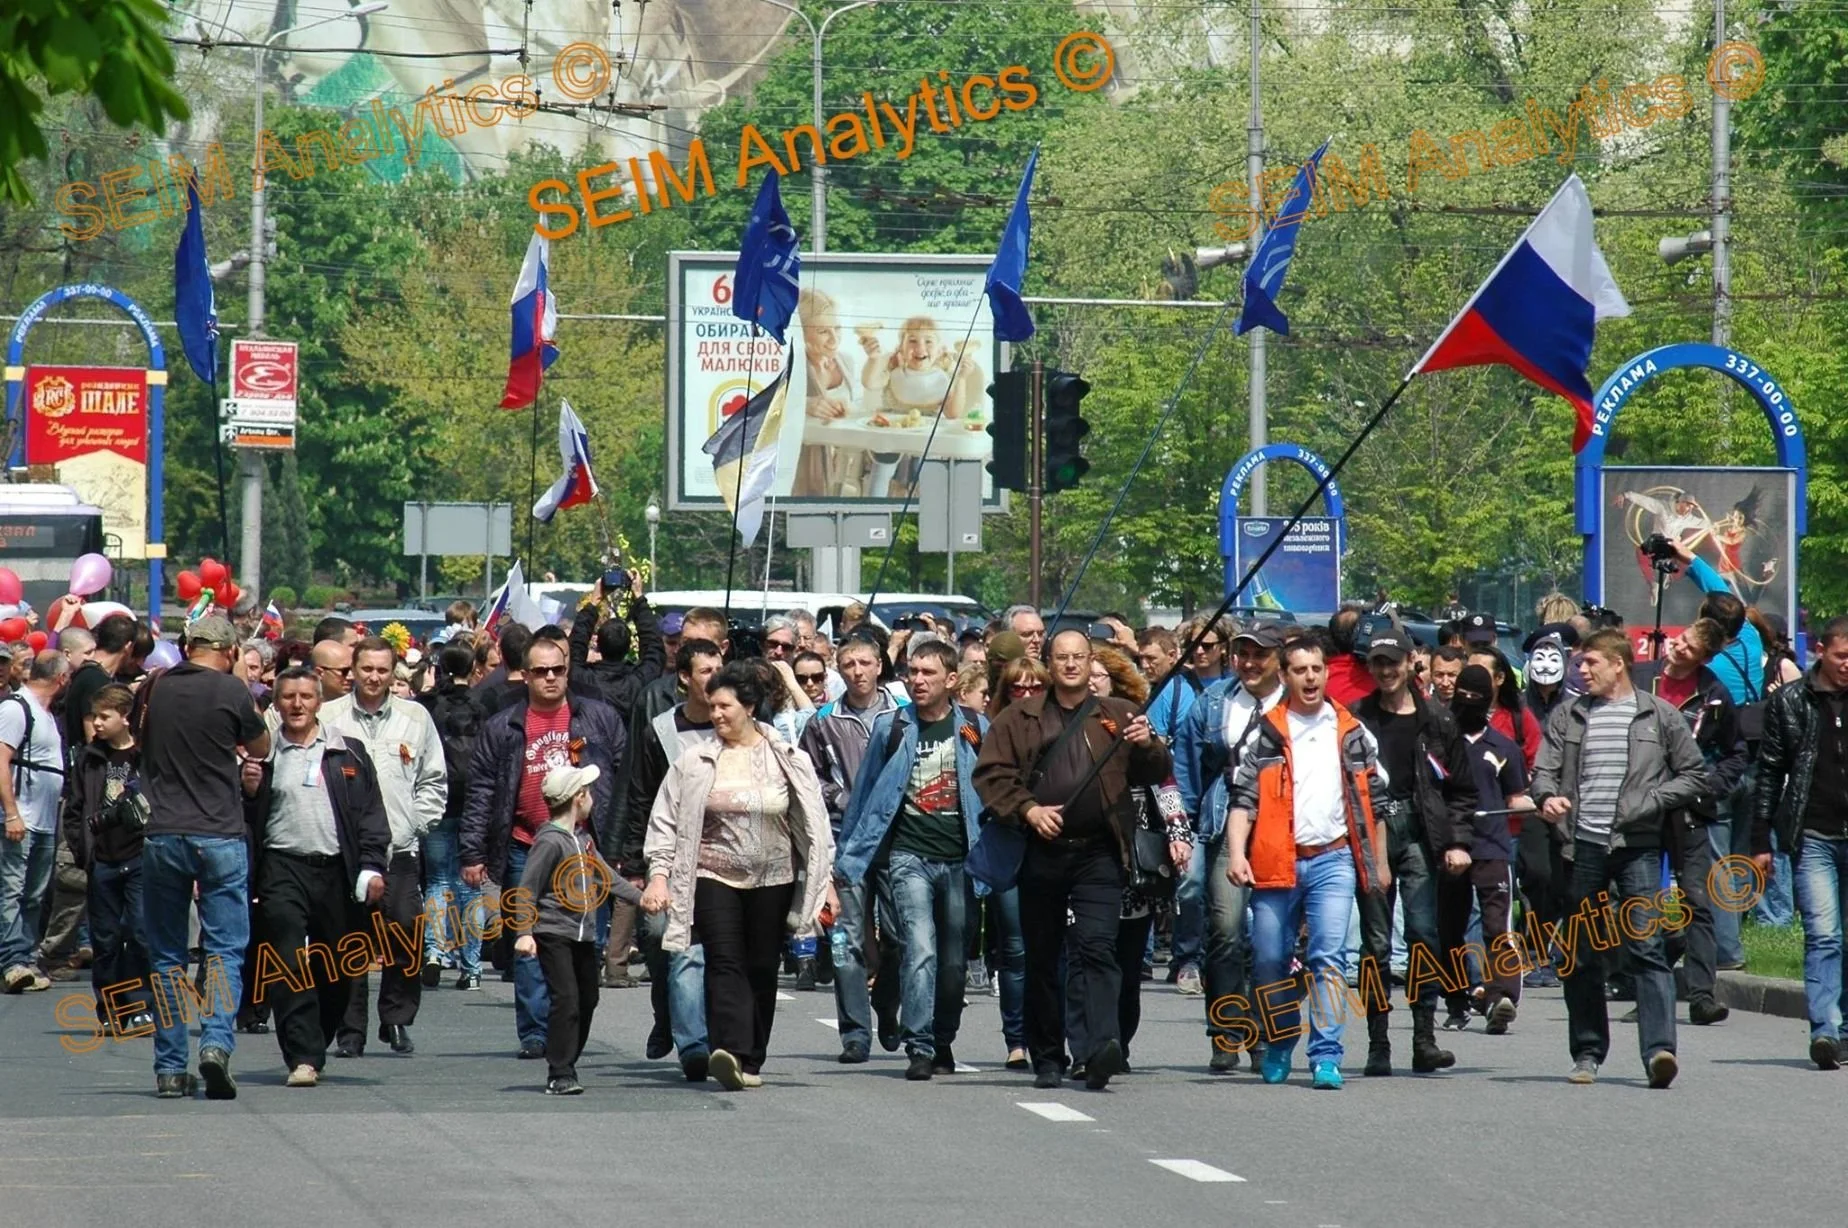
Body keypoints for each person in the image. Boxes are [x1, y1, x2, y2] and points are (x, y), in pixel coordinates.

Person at [974, 630, 1172, 1091]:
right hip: (1040, 852)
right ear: (1049, 662)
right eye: (1061, 658)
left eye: (1078, 658)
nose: (1070, 665)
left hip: (1100, 852)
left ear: (1090, 662)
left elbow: (1154, 773)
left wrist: (1147, 744)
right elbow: (991, 775)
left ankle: (1098, 1048)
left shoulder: (1119, 715)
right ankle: (1047, 1054)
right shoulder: (1018, 717)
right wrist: (1028, 809)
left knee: (1096, 947)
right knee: (1043, 955)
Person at [641, 662, 833, 1091]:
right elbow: (666, 820)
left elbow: (814, 828)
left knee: (761, 966)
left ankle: (752, 1058)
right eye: (712, 707)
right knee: (724, 960)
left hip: (774, 877)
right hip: (713, 874)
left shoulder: (788, 758)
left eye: (725, 706)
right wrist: (658, 875)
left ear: (748, 706)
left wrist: (825, 883)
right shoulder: (696, 761)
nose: (717, 715)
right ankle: (727, 1049)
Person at [1531, 628, 1710, 1088]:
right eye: (1579, 664)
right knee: (1583, 953)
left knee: (1646, 947)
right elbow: (1544, 770)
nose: (1581, 671)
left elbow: (1694, 774)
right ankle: (1587, 1052)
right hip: (1582, 846)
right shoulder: (1567, 715)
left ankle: (1659, 1052)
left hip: (1637, 848)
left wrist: (1651, 800)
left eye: (1590, 663)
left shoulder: (1658, 715)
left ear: (1618, 664)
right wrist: (1548, 797)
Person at [1227, 636, 1390, 1090]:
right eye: (1300, 670)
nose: (1311, 678)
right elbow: (1244, 799)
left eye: (1317, 669)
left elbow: (1375, 801)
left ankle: (1326, 1056)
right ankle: (1281, 1041)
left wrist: (1377, 862)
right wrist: (1237, 853)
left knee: (1329, 959)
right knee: (1269, 960)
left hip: (1333, 859)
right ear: (1285, 677)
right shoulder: (1269, 732)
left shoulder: (1350, 730)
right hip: (1276, 861)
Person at [461, 636, 623, 1059]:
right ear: (526, 675)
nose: (550, 678)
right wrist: (473, 852)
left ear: (568, 671)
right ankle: (536, 1032)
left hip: (584, 851)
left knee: (583, 942)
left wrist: (624, 846)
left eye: (558, 670)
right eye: (540, 671)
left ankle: (570, 1021)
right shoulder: (504, 726)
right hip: (524, 847)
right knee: (528, 942)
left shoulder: (599, 718)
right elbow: (481, 790)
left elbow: (622, 787)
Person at [133, 617, 271, 1099]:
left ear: (187, 647)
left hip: (164, 832)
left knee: (167, 955)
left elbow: (137, 741)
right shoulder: (232, 693)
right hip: (219, 833)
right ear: (230, 651)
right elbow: (262, 746)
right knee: (224, 951)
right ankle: (215, 1044)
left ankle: (170, 1067)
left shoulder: (155, 687)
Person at [835, 638, 986, 1080]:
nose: (918, 681)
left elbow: (993, 787)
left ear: (951, 680)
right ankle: (919, 1045)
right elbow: (864, 795)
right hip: (908, 857)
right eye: (912, 672)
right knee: (920, 949)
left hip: (961, 858)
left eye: (928, 673)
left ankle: (943, 1039)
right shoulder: (892, 727)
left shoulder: (974, 725)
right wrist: (849, 858)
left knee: (955, 961)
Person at [240, 667, 391, 1088]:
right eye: (288, 697)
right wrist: (249, 792)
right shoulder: (263, 755)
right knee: (288, 961)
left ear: (319, 702)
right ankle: (302, 1056)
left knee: (339, 968)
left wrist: (373, 866)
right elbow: (247, 820)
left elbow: (371, 816)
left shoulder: (349, 753)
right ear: (277, 702)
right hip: (282, 867)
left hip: (336, 871)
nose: (297, 704)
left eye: (306, 696)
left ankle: (317, 1040)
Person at [1354, 628, 1476, 1074]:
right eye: (1377, 663)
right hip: (1372, 832)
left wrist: (1458, 841)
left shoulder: (1438, 719)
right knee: (1375, 943)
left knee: (1424, 934)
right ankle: (1377, 1043)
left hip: (1421, 831)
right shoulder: (1355, 719)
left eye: (1393, 661)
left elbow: (1462, 789)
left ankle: (1424, 1038)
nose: (1386, 670)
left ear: (1410, 663)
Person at [321, 637, 448, 1057]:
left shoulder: (415, 718)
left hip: (399, 850)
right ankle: (350, 1029)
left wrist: (415, 823)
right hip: (345, 854)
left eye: (382, 670)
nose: (374, 677)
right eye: (366, 669)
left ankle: (396, 1019)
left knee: (406, 935)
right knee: (350, 942)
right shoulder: (329, 718)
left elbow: (433, 779)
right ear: (351, 672)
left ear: (395, 674)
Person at [1065, 651, 1190, 1075]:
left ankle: (1118, 1040)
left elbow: (1165, 780)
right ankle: (1085, 1048)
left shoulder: (1136, 723)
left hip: (1133, 856)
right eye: (1089, 675)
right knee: (1085, 955)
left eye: (1102, 676)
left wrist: (1177, 834)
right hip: (1082, 853)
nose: (1094, 682)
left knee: (1127, 960)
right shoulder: (1064, 722)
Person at [1172, 622, 1285, 1069]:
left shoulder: (1296, 702)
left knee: (1271, 940)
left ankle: (1261, 1036)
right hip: (1224, 827)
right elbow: (1186, 768)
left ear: (1279, 658)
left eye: (1260, 654)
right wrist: (1184, 826)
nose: (1250, 663)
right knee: (1226, 931)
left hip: (1281, 829)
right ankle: (1225, 1032)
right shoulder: (1214, 700)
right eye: (1242, 653)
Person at [614, 638, 722, 1076]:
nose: (716, 679)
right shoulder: (660, 731)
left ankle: (699, 1040)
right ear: (684, 678)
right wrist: (637, 867)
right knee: (661, 938)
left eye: (721, 668)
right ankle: (668, 1012)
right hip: (670, 859)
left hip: (723, 860)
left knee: (707, 952)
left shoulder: (736, 725)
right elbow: (640, 797)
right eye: (705, 671)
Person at [1632, 618, 1745, 1026]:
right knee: (1642, 902)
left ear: (1705, 659)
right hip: (1641, 807)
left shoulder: (1714, 694)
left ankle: (1701, 995)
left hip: (1690, 809)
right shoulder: (1642, 679)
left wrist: (1709, 786)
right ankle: (1647, 988)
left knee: (1697, 899)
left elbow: (1735, 753)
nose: (1678, 650)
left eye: (1689, 649)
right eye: (1679, 641)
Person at [797, 634, 903, 1061]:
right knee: (846, 940)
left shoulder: (902, 716)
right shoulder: (822, 720)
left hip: (898, 842)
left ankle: (887, 1004)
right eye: (849, 664)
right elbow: (808, 776)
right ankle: (855, 1033)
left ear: (880, 666)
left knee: (902, 937)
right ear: (839, 670)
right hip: (845, 843)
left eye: (865, 663)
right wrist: (844, 797)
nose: (857, 671)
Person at [1754, 616, 1848, 1069]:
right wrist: (1761, 837)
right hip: (1813, 834)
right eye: (1841, 656)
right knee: (1824, 934)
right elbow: (1769, 771)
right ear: (1820, 652)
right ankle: (1825, 1030)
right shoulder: (1792, 702)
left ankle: (1845, 1028)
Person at [513, 764, 641, 1095]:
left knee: (588, 997)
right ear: (578, 797)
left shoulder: (583, 840)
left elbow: (606, 877)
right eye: (589, 791)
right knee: (566, 999)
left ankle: (568, 1058)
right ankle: (560, 1071)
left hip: (583, 934)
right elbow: (527, 889)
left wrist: (643, 900)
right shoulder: (550, 842)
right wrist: (524, 932)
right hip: (553, 931)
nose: (593, 798)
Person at [1438, 665, 1534, 1035]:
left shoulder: (1504, 747)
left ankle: (1501, 997)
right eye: (1463, 695)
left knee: (1497, 927)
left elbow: (1515, 798)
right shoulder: (1440, 741)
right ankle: (1456, 1001)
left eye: (1476, 697)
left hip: (1493, 846)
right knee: (1450, 929)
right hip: (1449, 847)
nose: (1468, 704)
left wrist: (1542, 805)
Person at [63, 683, 154, 1035]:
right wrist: (83, 848)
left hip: (140, 856)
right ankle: (110, 1008)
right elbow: (74, 807)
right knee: (105, 939)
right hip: (103, 858)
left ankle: (142, 1004)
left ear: (125, 718)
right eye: (94, 716)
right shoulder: (90, 757)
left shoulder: (144, 756)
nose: (97, 723)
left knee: (141, 932)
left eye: (105, 716)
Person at [0, 651, 71, 996]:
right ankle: (11, 961)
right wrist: (11, 812)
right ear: (61, 679)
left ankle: (25, 957)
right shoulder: (16, 709)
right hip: (21, 818)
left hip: (43, 820)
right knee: (12, 890)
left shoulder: (44, 714)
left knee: (33, 894)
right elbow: (1, 759)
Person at [567, 572, 666, 717]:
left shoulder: (582, 678)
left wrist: (595, 600)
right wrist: (638, 597)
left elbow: (575, 647)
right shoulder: (638, 681)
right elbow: (654, 649)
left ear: (598, 645)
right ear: (628, 647)